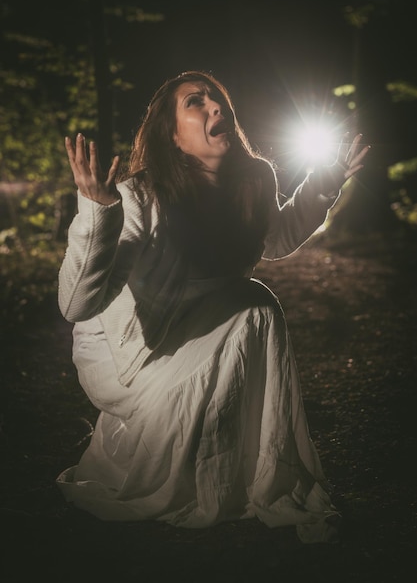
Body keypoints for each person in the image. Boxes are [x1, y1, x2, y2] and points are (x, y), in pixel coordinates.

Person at [56, 70, 370, 543]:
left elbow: (277, 240)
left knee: (253, 307)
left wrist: (323, 185)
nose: (215, 107)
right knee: (252, 305)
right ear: (172, 135)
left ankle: (225, 474)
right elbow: (77, 304)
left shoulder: (254, 181)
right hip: (132, 354)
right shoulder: (140, 196)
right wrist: (97, 214)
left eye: (218, 99)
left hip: (207, 326)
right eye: (196, 103)